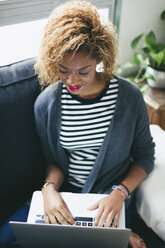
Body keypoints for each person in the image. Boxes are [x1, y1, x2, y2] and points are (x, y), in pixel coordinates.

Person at [34, 1, 155, 248]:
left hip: (110, 199)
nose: (72, 81)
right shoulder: (46, 104)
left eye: (83, 71)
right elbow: (53, 161)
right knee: (9, 235)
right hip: (67, 198)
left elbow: (144, 157)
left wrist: (120, 193)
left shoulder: (129, 97)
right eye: (63, 70)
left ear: (100, 59)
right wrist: (49, 190)